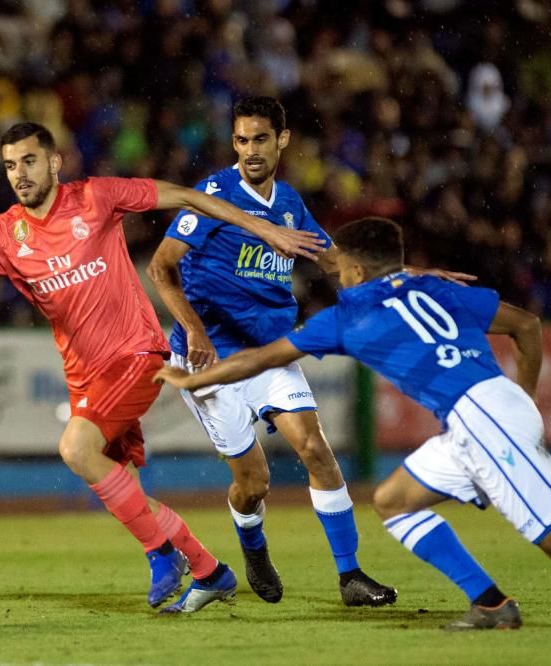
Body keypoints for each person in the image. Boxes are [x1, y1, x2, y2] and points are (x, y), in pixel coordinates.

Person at [154, 216, 551, 631]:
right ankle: (490, 603)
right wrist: (524, 406)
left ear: (356, 270)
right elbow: (528, 328)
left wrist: (190, 378)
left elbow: (265, 357)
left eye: (340, 268)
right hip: (491, 409)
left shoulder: (346, 318)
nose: (335, 274)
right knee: (396, 500)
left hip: (482, 421)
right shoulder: (438, 289)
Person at [0, 121, 326, 614]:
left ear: (54, 162)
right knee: (120, 487)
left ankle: (161, 556)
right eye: (9, 165)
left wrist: (261, 226)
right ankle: (209, 570)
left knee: (75, 447)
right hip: (86, 376)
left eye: (28, 161)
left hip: (137, 355)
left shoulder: (97, 197)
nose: (19, 174)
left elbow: (187, 198)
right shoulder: (2, 233)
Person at [148, 97, 471, 606]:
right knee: (253, 483)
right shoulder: (215, 194)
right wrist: (194, 329)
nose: (250, 150)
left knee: (317, 450)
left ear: (283, 139)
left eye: (259, 139)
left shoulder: (290, 204)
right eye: (241, 140)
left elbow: (339, 264)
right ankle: (253, 546)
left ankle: (351, 577)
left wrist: (418, 277)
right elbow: (161, 268)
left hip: (272, 353)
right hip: (213, 356)